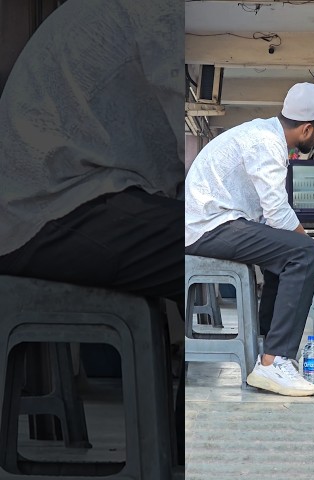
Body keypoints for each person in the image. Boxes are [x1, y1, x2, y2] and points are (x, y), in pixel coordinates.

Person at [0, 0, 185, 463]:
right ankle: (202, 440)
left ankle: (188, 434)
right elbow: (175, 129)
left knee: (209, 240)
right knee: (218, 253)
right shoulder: (155, 11)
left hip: (49, 202)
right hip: (50, 210)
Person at [185, 82, 314, 397]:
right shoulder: (265, 142)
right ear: (308, 129)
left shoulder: (266, 136)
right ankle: (275, 361)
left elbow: (269, 215)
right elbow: (276, 211)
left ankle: (266, 347)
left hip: (218, 222)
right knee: (302, 252)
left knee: (287, 254)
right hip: (207, 226)